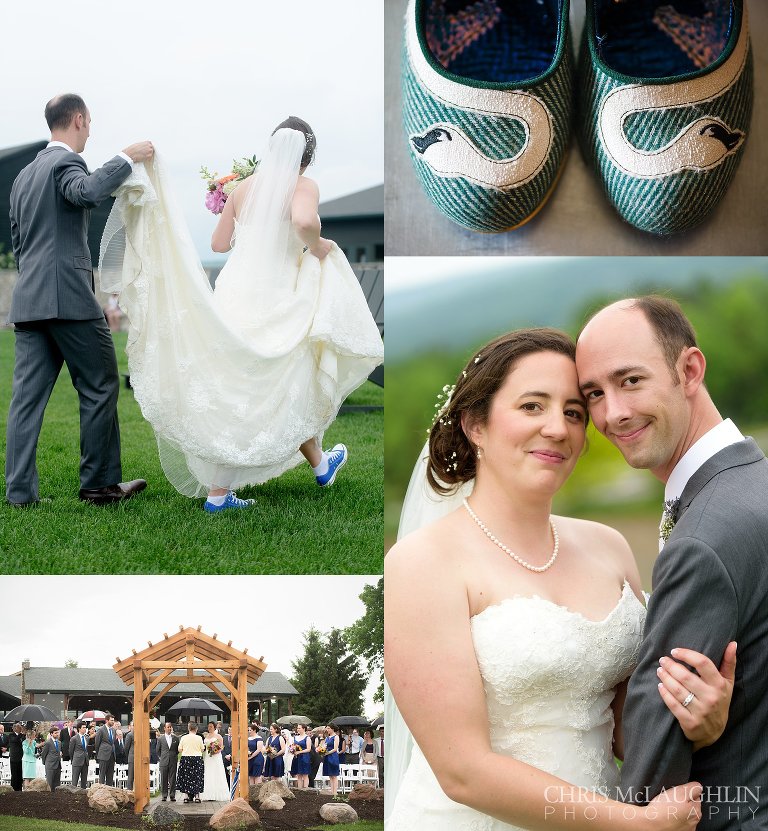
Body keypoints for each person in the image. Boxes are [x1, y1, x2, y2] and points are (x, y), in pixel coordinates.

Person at [385, 328, 736, 831]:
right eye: (532, 406)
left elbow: (625, 728)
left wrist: (701, 719)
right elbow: (462, 771)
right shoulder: (422, 562)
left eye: (574, 412)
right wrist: (633, 825)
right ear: (474, 425)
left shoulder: (608, 545)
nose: (557, 428)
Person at [99, 117, 383, 510]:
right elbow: (302, 221)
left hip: (235, 293)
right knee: (262, 386)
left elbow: (217, 243)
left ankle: (321, 464)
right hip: (279, 294)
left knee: (267, 379)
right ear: (307, 158)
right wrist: (317, 246)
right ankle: (219, 494)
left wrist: (253, 227)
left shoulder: (244, 189)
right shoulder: (304, 186)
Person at [576, 296, 768, 826]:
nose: (611, 413)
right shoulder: (756, 481)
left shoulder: (702, 539)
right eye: (594, 394)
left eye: (630, 380)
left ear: (689, 370)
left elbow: (657, 735)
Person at [5, 93, 152, 507]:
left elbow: (20, 243)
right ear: (79, 120)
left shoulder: (23, 176)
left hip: (30, 300)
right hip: (68, 298)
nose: (90, 131)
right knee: (100, 382)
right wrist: (124, 158)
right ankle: (100, 485)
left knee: (25, 401)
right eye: (89, 123)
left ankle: (19, 494)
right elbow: (86, 192)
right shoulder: (67, 163)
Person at [200, 722, 230, 800]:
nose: (209, 728)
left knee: (216, 773)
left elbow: (221, 747)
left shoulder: (218, 736)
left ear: (214, 727)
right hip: (208, 757)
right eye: (208, 726)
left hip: (216, 757)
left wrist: (215, 751)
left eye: (211, 726)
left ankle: (217, 794)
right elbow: (205, 746)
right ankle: (208, 794)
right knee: (208, 773)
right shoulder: (206, 736)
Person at [177, 722, 205, 803]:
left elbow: (179, 749)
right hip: (197, 758)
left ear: (188, 728)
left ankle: (186, 796)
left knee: (186, 777)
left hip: (186, 758)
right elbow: (202, 749)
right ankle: (197, 796)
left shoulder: (183, 737)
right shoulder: (199, 738)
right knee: (197, 777)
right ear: (196, 729)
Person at [156, 722, 179, 802]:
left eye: (170, 727)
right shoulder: (160, 739)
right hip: (164, 761)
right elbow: (157, 750)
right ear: (164, 728)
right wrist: (162, 757)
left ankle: (172, 795)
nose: (169, 728)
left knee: (172, 779)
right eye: (168, 727)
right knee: (164, 778)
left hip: (173, 761)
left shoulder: (176, 738)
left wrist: (173, 756)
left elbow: (177, 750)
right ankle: (164, 795)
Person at [95, 714, 116, 785]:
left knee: (110, 776)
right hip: (103, 755)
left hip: (112, 755)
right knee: (102, 775)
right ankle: (101, 792)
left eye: (113, 720)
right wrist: (98, 755)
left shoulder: (113, 730)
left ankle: (109, 792)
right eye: (111, 720)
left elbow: (113, 742)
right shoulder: (101, 730)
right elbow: (97, 743)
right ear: (107, 721)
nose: (113, 722)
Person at [290, 723, 312, 789]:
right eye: (297, 728)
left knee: (305, 774)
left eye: (299, 728)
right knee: (298, 774)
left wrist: (300, 752)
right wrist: (292, 750)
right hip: (297, 758)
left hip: (304, 757)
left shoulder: (307, 738)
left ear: (304, 729)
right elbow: (293, 746)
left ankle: (305, 789)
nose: (298, 729)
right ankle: (299, 789)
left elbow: (309, 749)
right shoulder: (295, 737)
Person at [41, 727, 62, 791]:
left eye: (58, 733)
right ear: (51, 734)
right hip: (50, 765)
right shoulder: (48, 743)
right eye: (55, 733)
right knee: (50, 783)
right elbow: (43, 754)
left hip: (58, 765)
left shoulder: (59, 743)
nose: (57, 734)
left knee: (57, 784)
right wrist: (45, 763)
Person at [322, 725, 340, 797]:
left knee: (334, 775)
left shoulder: (336, 737)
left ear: (332, 729)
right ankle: (331, 790)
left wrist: (327, 753)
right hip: (327, 757)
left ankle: (335, 792)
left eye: (328, 728)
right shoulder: (327, 738)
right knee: (330, 775)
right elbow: (324, 746)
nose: (327, 730)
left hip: (333, 756)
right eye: (327, 728)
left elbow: (335, 748)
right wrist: (321, 750)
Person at [69, 722, 89, 789]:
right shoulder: (74, 738)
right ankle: (73, 794)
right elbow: (71, 751)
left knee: (84, 780)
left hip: (85, 761)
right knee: (75, 780)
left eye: (85, 727)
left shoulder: (87, 738)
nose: (85, 729)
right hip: (77, 761)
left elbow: (86, 749)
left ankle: (83, 793)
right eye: (83, 727)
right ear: (79, 729)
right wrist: (73, 759)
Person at [7, 722, 26, 791]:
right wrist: (21, 734)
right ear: (15, 728)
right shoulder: (11, 735)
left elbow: (24, 741)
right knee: (14, 775)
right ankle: (13, 789)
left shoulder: (22, 735)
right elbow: (15, 740)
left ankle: (19, 789)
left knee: (20, 774)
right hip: (14, 758)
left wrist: (23, 734)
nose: (21, 728)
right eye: (19, 727)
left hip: (21, 758)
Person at [124, 720, 134, 790]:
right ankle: (129, 791)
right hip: (132, 758)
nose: (134, 727)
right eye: (133, 725)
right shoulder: (129, 735)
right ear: (130, 727)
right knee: (130, 776)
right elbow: (126, 748)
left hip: (139, 758)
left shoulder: (140, 734)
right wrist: (129, 755)